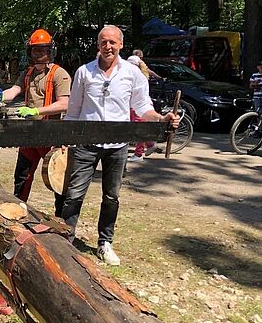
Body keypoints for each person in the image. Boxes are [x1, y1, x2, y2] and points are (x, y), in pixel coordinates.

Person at [61, 25, 179, 266]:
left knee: (112, 196)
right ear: (98, 45)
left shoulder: (132, 74)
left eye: (113, 42)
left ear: (121, 45)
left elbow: (143, 107)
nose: (108, 46)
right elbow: (73, 110)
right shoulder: (84, 72)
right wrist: (65, 140)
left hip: (117, 145)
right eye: (104, 42)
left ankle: (105, 243)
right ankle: (65, 240)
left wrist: (161, 118)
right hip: (86, 143)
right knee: (73, 194)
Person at [0, 29, 71, 215]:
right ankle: (17, 211)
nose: (39, 54)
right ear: (30, 52)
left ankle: (61, 218)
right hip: (29, 135)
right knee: (22, 176)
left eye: (43, 50)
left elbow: (64, 103)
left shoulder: (59, 74)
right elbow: (15, 90)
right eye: (35, 50)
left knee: (57, 179)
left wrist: (37, 110)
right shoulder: (27, 73)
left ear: (50, 51)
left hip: (51, 135)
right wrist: (1, 95)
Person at [126, 54, 157, 162]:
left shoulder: (137, 76)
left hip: (138, 107)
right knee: (137, 128)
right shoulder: (141, 74)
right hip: (133, 106)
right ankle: (150, 144)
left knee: (139, 129)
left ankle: (139, 154)